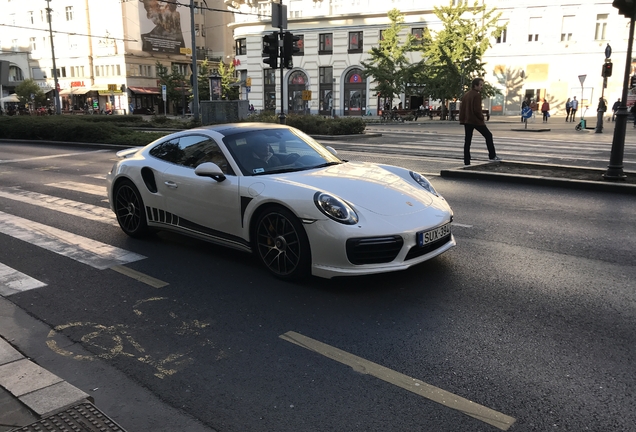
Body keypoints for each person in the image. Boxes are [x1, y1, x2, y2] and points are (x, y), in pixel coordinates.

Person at [459, 77, 500, 165]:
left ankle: (467, 160)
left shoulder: (466, 94)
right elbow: (477, 109)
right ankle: (492, 155)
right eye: (480, 85)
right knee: (488, 135)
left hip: (467, 121)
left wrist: (463, 119)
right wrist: (481, 117)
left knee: (468, 140)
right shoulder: (476, 95)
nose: (481, 87)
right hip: (476, 121)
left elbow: (462, 108)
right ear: (475, 85)